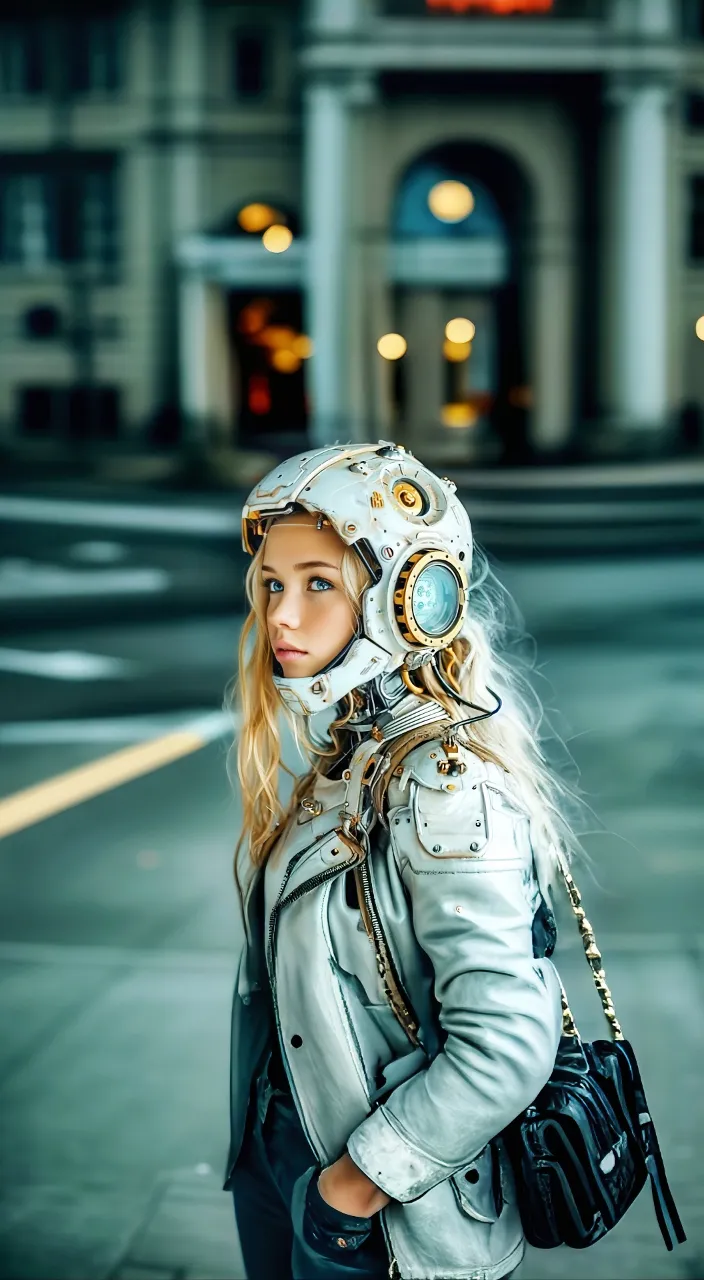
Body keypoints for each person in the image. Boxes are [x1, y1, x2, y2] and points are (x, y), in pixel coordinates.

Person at [223, 440, 587, 1280]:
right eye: (274, 584)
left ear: (410, 598)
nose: (281, 614)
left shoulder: (444, 789)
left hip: (382, 1209)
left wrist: (353, 1187)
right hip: (284, 1155)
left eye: (319, 583)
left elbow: (506, 1040)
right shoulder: (352, 757)